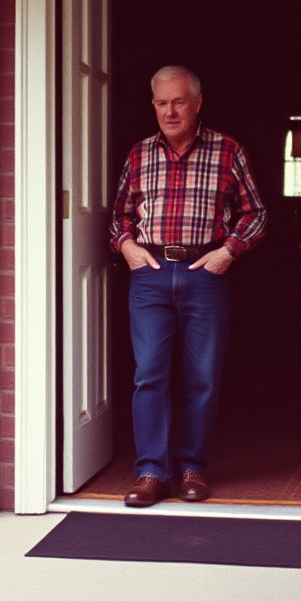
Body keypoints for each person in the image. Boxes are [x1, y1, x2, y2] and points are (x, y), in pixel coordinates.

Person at [110, 65, 267, 507]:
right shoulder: (139, 154)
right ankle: (152, 474)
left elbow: (255, 212)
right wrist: (127, 247)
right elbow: (120, 214)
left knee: (203, 378)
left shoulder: (227, 150)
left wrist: (228, 252)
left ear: (197, 103)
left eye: (178, 101)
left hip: (205, 273)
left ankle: (193, 468)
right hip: (150, 274)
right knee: (149, 376)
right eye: (161, 103)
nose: (170, 111)